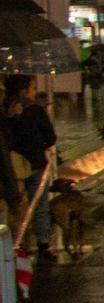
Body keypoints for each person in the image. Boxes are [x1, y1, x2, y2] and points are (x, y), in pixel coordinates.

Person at [5, 75, 57, 260]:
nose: (35, 92)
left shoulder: (5, 111)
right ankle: (43, 242)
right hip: (36, 164)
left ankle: (18, 243)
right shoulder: (36, 111)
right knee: (39, 204)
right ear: (23, 91)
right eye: (33, 89)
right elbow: (50, 138)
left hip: (13, 168)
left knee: (17, 205)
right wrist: (39, 144)